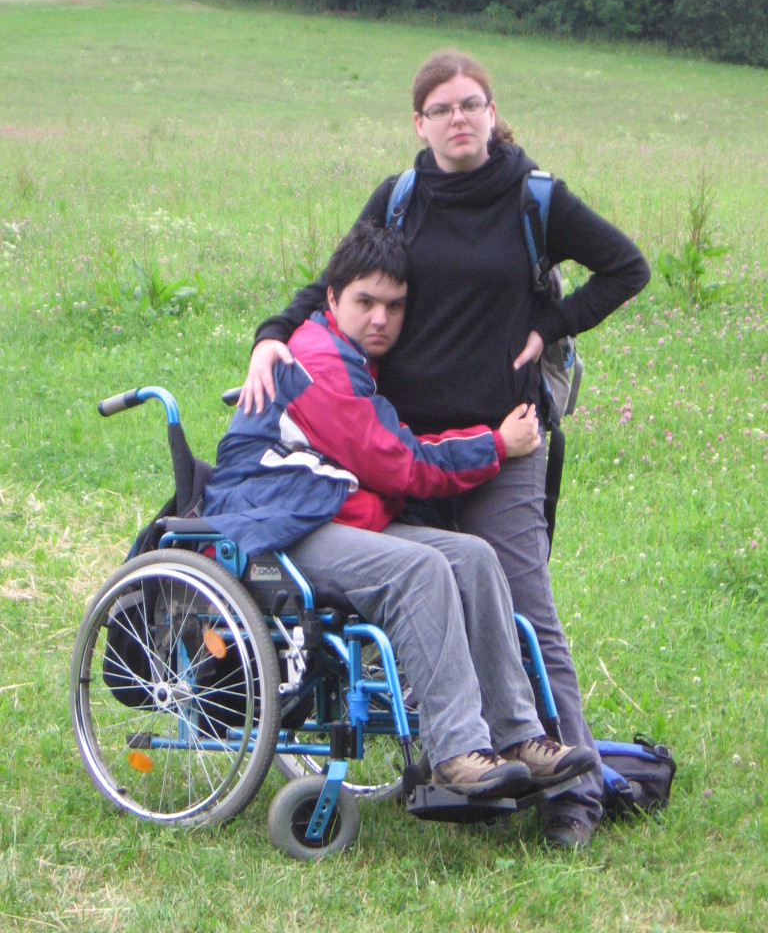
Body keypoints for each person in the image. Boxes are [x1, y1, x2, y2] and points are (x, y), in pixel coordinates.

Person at [239, 50, 651, 846]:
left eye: (472, 104)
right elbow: (338, 284)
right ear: (419, 123)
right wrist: (272, 336)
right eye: (442, 108)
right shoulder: (399, 200)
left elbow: (625, 268)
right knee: (433, 587)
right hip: (403, 446)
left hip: (504, 443)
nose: (458, 119)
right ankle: (458, 765)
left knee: (526, 608)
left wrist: (551, 325)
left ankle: (573, 792)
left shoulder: (536, 198)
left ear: (492, 113)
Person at [203, 221, 597, 801]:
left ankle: (517, 737)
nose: (381, 319)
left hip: (322, 510)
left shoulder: (354, 356)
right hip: (279, 523)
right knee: (420, 568)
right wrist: (495, 444)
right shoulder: (320, 360)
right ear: (332, 298)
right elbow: (400, 464)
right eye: (365, 302)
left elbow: (380, 461)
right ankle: (456, 754)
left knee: (474, 557)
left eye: (394, 306)